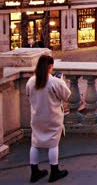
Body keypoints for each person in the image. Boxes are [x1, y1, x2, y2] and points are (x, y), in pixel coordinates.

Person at [26, 55, 71, 183]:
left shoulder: (30, 81)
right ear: (50, 67)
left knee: (35, 143)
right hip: (52, 116)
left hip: (37, 116)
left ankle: (34, 172)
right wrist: (61, 80)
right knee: (53, 144)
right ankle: (54, 171)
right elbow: (66, 95)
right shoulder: (54, 82)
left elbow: (28, 95)